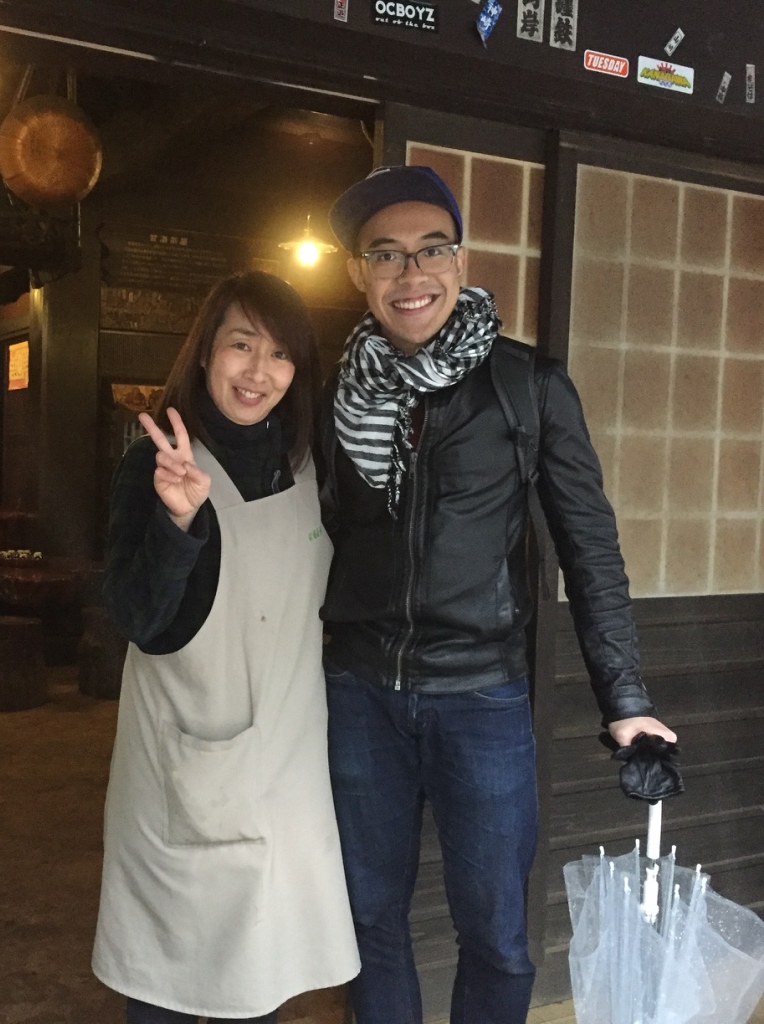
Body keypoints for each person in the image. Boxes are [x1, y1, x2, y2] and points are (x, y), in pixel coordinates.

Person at [318, 165, 677, 1024]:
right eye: (387, 255)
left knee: (499, 938)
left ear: (462, 258)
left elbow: (590, 549)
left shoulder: (529, 386)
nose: (412, 275)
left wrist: (624, 695)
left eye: (431, 249)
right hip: (359, 689)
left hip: (481, 695)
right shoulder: (331, 389)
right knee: (368, 923)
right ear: (357, 275)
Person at [92, 271, 360, 1024]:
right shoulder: (160, 460)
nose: (258, 372)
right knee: (168, 985)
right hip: (187, 763)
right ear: (206, 352)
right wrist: (178, 523)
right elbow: (135, 617)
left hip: (287, 767)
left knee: (259, 981)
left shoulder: (309, 464)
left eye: (279, 355)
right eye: (241, 345)